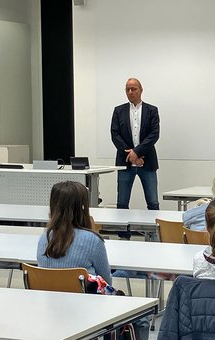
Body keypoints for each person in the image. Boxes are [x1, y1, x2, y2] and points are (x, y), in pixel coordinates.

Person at [111, 78, 160, 239]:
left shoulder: (152, 110)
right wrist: (131, 157)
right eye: (127, 89)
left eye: (134, 89)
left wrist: (137, 152)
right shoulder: (118, 110)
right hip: (125, 163)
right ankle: (123, 236)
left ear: (141, 90)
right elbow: (115, 135)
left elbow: (154, 134)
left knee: (153, 202)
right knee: (122, 203)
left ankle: (154, 235)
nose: (130, 92)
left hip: (147, 161)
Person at [37, 181, 112, 283]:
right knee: (123, 274)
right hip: (83, 298)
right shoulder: (93, 240)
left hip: (49, 297)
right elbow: (106, 281)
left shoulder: (45, 237)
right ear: (82, 207)